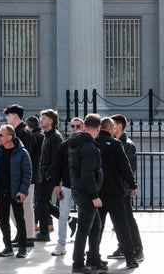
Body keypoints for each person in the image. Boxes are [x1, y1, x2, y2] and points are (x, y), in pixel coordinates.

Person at [95, 117, 139, 269]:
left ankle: (94, 257)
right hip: (115, 192)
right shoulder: (115, 144)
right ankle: (131, 258)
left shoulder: (93, 143)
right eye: (113, 128)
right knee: (122, 226)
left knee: (96, 228)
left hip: (97, 193)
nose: (114, 131)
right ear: (108, 128)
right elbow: (125, 166)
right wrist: (132, 185)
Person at [0, 124, 32, 259]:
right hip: (1, 191)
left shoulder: (22, 152)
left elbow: (27, 173)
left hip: (16, 192)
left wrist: (23, 191)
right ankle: (8, 247)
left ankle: (22, 248)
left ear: (10, 137)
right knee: (4, 221)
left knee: (19, 220)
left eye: (1, 135)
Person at [69, 113, 105, 274]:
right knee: (84, 228)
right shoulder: (90, 147)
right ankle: (78, 263)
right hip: (86, 193)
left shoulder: (77, 144)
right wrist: (94, 196)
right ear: (98, 129)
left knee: (96, 225)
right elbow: (88, 174)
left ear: (84, 127)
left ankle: (94, 259)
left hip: (79, 189)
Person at [109, 113, 144, 262]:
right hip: (116, 188)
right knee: (118, 221)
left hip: (122, 190)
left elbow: (129, 169)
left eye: (112, 124)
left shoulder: (126, 144)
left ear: (119, 126)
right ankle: (123, 247)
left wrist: (126, 187)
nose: (110, 127)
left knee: (128, 219)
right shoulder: (115, 142)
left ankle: (138, 249)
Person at [46, 117, 82, 256]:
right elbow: (57, 165)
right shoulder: (64, 145)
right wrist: (56, 184)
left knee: (85, 217)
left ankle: (82, 246)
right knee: (62, 216)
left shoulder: (88, 144)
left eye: (77, 126)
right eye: (72, 126)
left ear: (83, 127)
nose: (74, 128)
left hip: (82, 187)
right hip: (66, 186)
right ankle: (61, 244)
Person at [4, 104, 37, 247]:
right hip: (20, 176)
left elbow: (25, 157)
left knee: (25, 205)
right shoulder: (19, 131)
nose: (6, 117)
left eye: (8, 114)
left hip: (25, 177)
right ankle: (22, 233)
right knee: (16, 207)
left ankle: (28, 236)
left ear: (15, 116)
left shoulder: (23, 133)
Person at [34, 109, 63, 242]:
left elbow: (57, 159)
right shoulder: (47, 135)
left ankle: (44, 232)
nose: (41, 120)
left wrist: (48, 175)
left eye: (44, 118)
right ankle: (71, 220)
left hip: (47, 175)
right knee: (43, 203)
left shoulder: (55, 137)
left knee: (41, 203)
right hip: (43, 173)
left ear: (51, 121)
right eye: (41, 118)